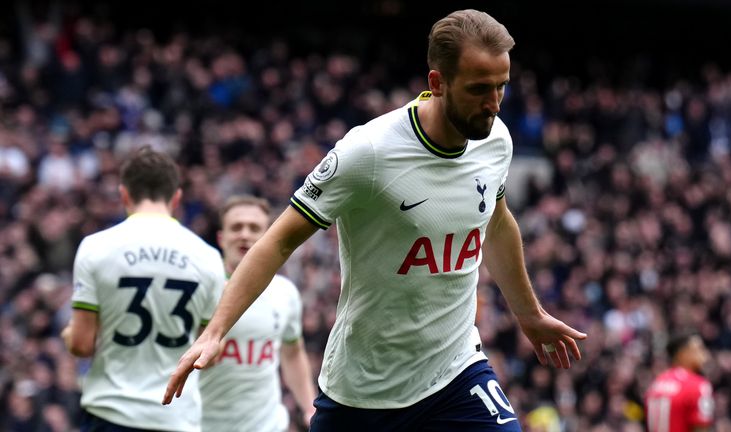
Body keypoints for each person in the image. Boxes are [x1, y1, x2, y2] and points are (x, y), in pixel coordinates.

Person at [164, 9, 587, 431]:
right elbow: (278, 241)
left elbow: (495, 222)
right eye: (479, 89)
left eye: (501, 87)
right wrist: (215, 331)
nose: (493, 104)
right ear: (437, 83)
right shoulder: (368, 152)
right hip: (365, 390)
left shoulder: (496, 141)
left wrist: (529, 314)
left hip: (456, 371)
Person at [62, 146, 226, 432]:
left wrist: (68, 333)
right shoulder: (208, 257)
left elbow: (81, 344)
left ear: (124, 194)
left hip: (111, 412)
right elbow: (210, 355)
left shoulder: (95, 248)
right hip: (176, 417)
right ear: (177, 198)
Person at [199, 195, 316, 431]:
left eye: (254, 228)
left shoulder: (285, 293)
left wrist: (309, 408)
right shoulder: (199, 288)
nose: (244, 234)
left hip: (267, 425)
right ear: (221, 238)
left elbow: (292, 353)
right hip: (201, 425)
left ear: (267, 238)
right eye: (236, 227)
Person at [645, 332, 714, 432]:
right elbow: (701, 428)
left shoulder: (656, 384)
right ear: (683, 354)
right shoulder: (698, 385)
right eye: (699, 349)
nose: (705, 355)